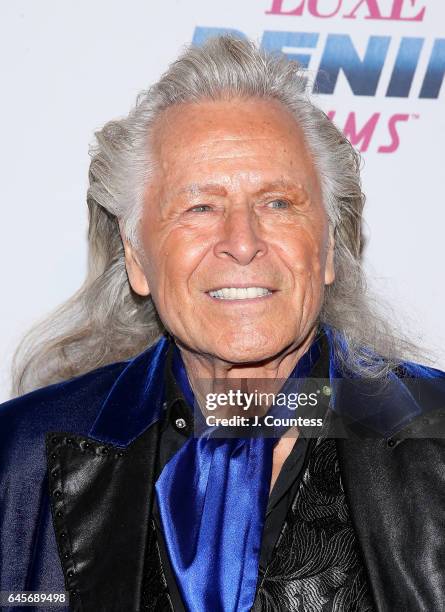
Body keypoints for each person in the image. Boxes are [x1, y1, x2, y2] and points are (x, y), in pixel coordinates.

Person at [1, 35, 444, 612]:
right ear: (136, 258)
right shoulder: (19, 458)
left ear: (330, 248)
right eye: (200, 207)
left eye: (278, 203)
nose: (242, 243)